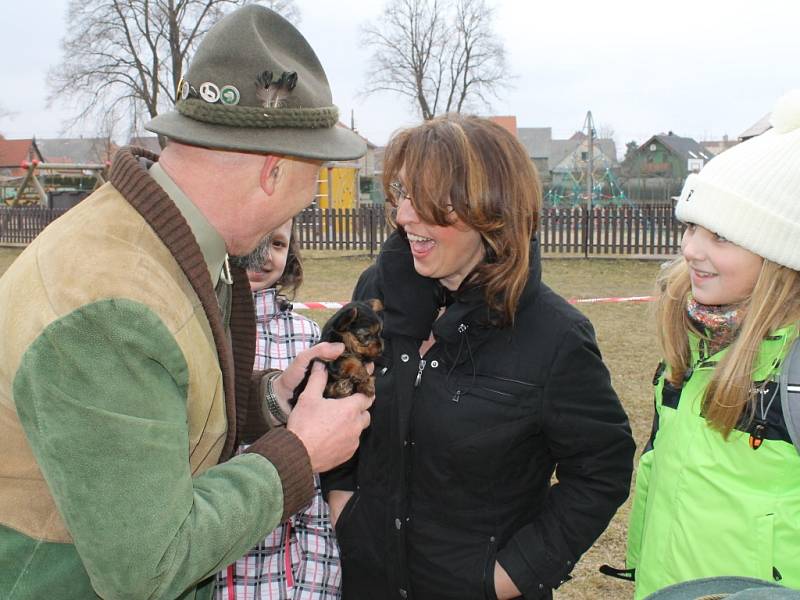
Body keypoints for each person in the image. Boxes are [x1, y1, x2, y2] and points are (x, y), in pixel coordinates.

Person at [0, 6, 372, 599]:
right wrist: (299, 453)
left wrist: (269, 399)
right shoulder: (112, 306)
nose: (300, 212)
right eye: (309, 187)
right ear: (273, 172)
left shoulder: (147, 243)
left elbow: (139, 414)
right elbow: (148, 567)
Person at [322, 114, 635, 600]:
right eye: (402, 194)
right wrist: (345, 508)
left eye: (426, 200)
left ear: (491, 209)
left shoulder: (556, 336)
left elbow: (601, 469)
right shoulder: (374, 296)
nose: (404, 215)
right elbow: (338, 395)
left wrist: (509, 575)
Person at [624, 90, 800, 598]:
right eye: (694, 227)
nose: (691, 249)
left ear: (779, 253)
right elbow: (661, 473)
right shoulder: (694, 339)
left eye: (721, 237)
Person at [216, 220, 341, 599]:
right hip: (209, 565)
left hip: (286, 575)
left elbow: (320, 477)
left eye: (278, 242)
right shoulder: (199, 330)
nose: (265, 254)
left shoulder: (307, 339)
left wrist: (317, 583)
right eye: (256, 237)